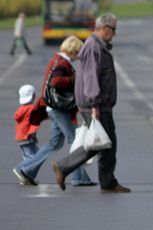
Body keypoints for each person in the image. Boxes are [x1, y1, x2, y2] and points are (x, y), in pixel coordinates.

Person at [52, 13, 130, 193]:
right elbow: (91, 78)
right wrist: (94, 104)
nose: (115, 34)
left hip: (101, 104)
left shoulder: (98, 47)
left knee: (108, 143)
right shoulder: (94, 47)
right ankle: (63, 167)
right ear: (105, 29)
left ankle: (108, 181)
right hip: (95, 105)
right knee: (99, 143)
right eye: (114, 30)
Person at [13, 36, 95, 187]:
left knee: (54, 143)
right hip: (58, 108)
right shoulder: (63, 63)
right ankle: (79, 177)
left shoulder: (58, 60)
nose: (79, 56)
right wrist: (73, 79)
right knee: (75, 140)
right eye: (78, 52)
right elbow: (56, 82)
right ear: (73, 50)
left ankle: (25, 169)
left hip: (53, 107)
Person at [12, 85, 40, 185]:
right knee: (35, 157)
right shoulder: (31, 108)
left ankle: (26, 178)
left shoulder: (21, 109)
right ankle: (19, 169)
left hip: (21, 138)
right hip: (27, 137)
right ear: (32, 96)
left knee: (28, 156)